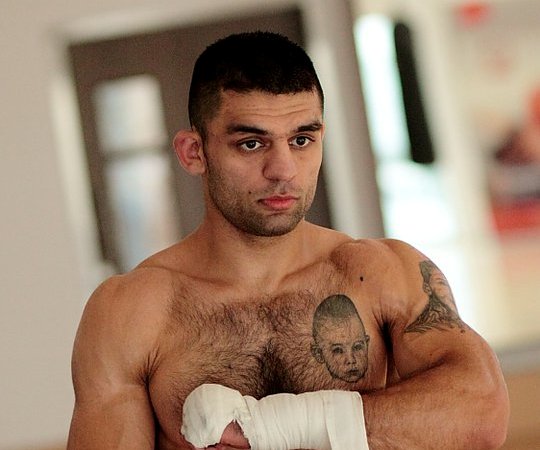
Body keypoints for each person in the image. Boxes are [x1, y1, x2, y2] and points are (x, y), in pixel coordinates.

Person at [67, 31, 509, 449]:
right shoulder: (134, 311)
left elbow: (482, 412)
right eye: (251, 144)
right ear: (194, 152)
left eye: (301, 139)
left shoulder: (380, 273)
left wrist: (264, 430)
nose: (283, 170)